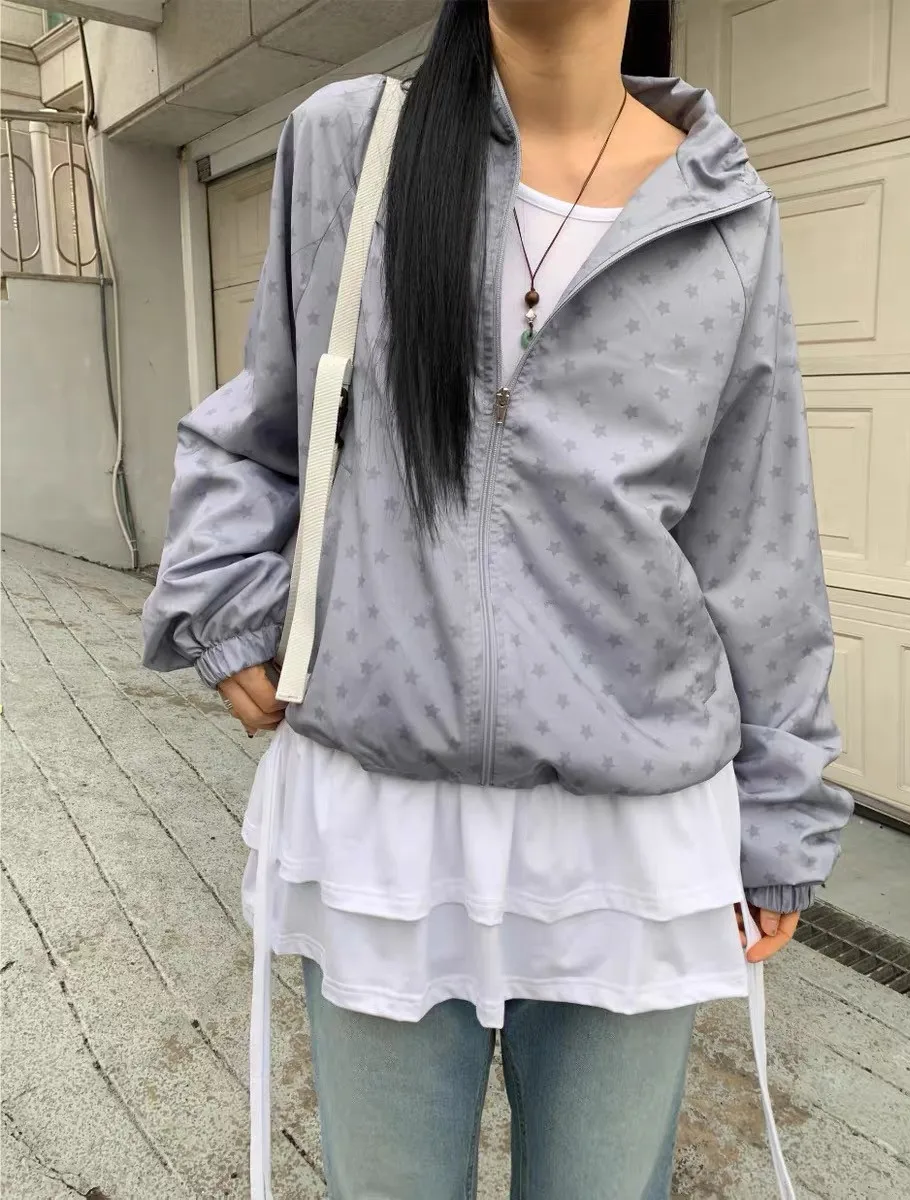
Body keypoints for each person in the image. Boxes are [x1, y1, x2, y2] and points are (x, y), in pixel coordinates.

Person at [143, 1, 853, 1196]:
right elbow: (263, 416)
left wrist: (782, 812)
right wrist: (225, 596)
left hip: (631, 839)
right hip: (383, 824)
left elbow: (757, 533)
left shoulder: (723, 210)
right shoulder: (352, 144)